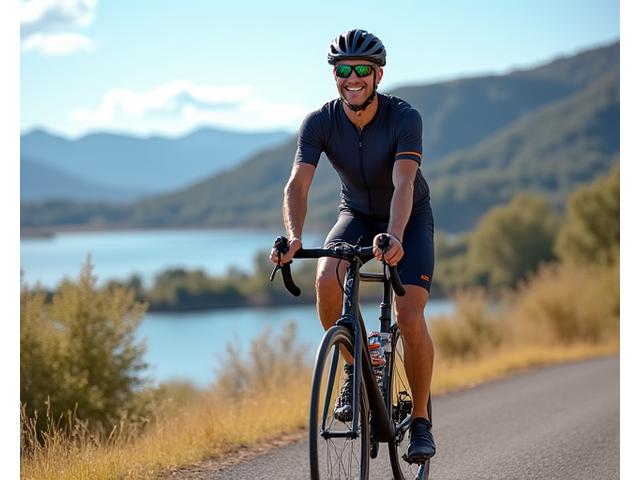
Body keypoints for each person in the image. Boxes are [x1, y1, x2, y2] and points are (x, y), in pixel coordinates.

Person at [270, 28, 436, 463]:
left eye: (362, 69)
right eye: (343, 69)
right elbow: (298, 184)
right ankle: (353, 369)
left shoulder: (404, 117)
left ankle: (420, 420)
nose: (352, 77)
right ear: (335, 76)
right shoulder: (320, 122)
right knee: (326, 277)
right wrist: (293, 237)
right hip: (357, 216)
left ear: (378, 74)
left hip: (409, 218)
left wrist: (396, 237)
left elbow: (403, 182)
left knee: (410, 313)